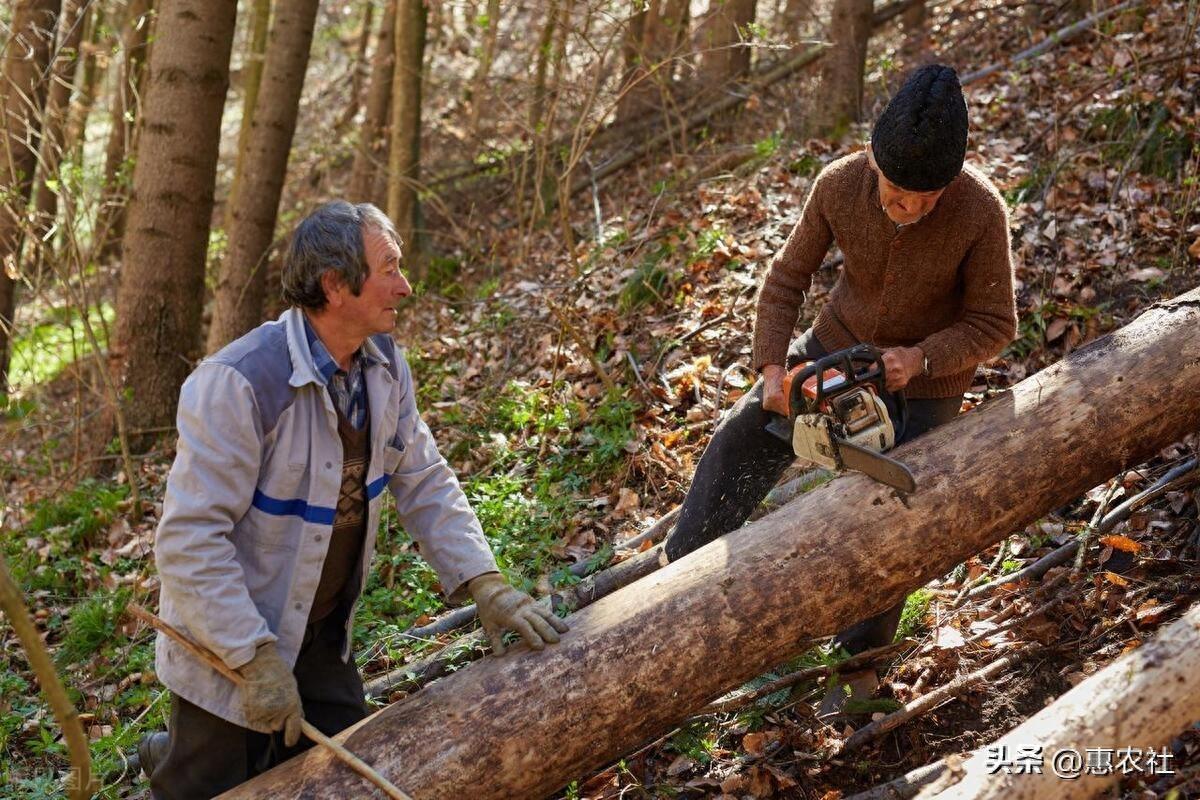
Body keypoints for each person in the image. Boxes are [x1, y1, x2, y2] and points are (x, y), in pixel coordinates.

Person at [139, 201, 567, 798]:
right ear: (335, 285)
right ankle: (167, 760)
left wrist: (485, 583)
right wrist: (253, 656)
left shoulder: (385, 366)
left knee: (347, 780)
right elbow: (188, 542)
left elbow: (424, 478)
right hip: (229, 645)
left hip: (318, 634)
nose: (406, 286)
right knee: (207, 788)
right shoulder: (237, 383)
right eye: (389, 268)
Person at [663, 64, 1017, 706]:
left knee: (900, 511)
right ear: (873, 162)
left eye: (926, 200)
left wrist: (923, 358)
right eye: (895, 194)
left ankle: (858, 672)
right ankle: (678, 577)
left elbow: (995, 323)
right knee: (743, 435)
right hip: (838, 342)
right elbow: (784, 279)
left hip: (925, 377)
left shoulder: (980, 210)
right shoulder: (838, 185)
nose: (908, 210)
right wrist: (773, 369)